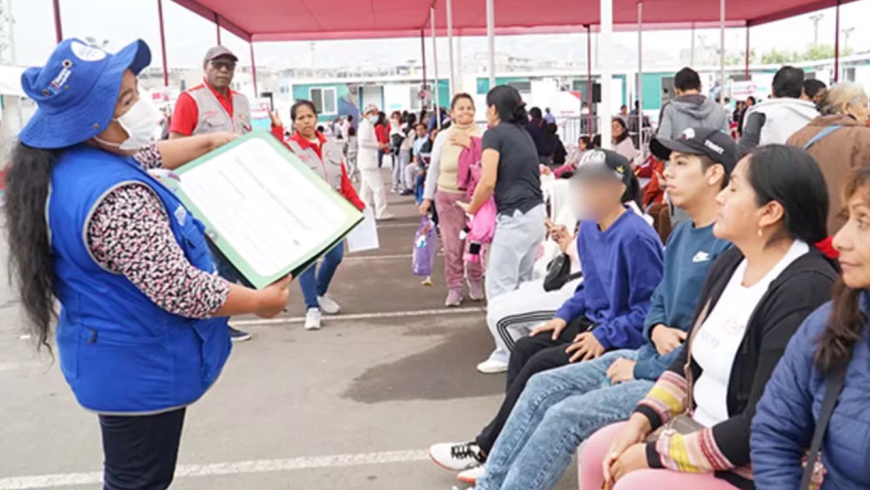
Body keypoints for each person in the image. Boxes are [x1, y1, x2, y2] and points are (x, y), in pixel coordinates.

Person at [5, 38, 293, 490]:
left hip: (112, 358)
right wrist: (259, 301)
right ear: (92, 119)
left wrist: (209, 142)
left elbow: (148, 157)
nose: (139, 104)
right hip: (139, 369)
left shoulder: (70, 164)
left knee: (134, 479)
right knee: (138, 482)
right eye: (126, 99)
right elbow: (180, 288)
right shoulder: (118, 200)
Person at [462, 128, 738, 489]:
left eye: (681, 162)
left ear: (715, 175)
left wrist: (635, 358)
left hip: (663, 374)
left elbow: (700, 344)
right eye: (668, 161)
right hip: (639, 350)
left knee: (564, 410)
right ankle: (491, 479)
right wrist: (654, 329)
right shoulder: (682, 235)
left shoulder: (720, 247)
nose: (666, 171)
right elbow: (655, 302)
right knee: (541, 380)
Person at [582, 145, 837, 490]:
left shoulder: (804, 289)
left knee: (635, 482)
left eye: (733, 188)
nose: (721, 198)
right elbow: (687, 362)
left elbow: (762, 424)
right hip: (696, 429)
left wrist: (655, 454)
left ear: (770, 212)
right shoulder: (731, 263)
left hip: (753, 464)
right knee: (600, 449)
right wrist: (642, 420)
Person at [431, 149, 664, 477]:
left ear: (619, 188)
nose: (584, 191)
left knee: (541, 366)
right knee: (525, 348)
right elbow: (588, 288)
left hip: (619, 338)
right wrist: (563, 315)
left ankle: (488, 449)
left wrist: (602, 336)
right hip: (593, 325)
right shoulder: (590, 227)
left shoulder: (636, 236)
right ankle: (503, 446)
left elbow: (650, 310)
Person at [751, 166, 870, 490]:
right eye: (847, 218)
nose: (841, 239)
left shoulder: (802, 284)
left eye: (864, 223)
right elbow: (774, 430)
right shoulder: (831, 322)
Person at [168, 45, 253, 342]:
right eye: (217, 65)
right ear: (205, 67)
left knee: (230, 254)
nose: (224, 70)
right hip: (201, 191)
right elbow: (175, 145)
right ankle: (215, 320)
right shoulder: (191, 100)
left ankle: (220, 314)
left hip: (237, 188)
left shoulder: (241, 102)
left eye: (229, 66)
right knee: (212, 255)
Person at [271, 101, 365, 330]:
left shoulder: (330, 145)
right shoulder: (290, 147)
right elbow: (273, 156)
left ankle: (320, 292)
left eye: (309, 116)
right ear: (294, 122)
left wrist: (357, 203)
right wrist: (275, 130)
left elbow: (342, 178)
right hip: (304, 215)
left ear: (316, 118)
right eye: (300, 118)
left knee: (335, 256)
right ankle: (311, 307)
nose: (306, 121)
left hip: (333, 213)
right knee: (307, 263)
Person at [461, 85, 546, 301]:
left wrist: (472, 207)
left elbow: (488, 181)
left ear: (494, 109)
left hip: (514, 216)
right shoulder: (523, 134)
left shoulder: (494, 135)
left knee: (498, 288)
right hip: (535, 215)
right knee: (523, 285)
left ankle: (505, 335)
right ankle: (523, 334)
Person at [420, 93, 486, 306]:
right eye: (461, 108)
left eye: (470, 108)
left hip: (476, 198)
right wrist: (427, 198)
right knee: (452, 245)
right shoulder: (443, 136)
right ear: (452, 113)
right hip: (447, 197)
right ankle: (454, 287)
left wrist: (470, 143)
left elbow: (489, 161)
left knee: (475, 243)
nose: (466, 112)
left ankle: (476, 279)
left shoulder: (483, 134)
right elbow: (434, 169)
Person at [787, 82, 870, 235]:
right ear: (846, 108)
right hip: (847, 232)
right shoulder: (864, 138)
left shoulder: (797, 137)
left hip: (803, 232)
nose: (868, 112)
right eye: (864, 105)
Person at [740, 66, 818, 148]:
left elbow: (745, 150)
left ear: (772, 89)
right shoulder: (817, 115)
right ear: (802, 91)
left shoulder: (759, 113)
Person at [656, 67, 729, 140]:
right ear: (700, 87)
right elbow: (727, 142)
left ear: (676, 90)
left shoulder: (671, 110)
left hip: (680, 150)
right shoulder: (719, 109)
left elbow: (663, 141)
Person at [358, 104, 392, 220]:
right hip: (368, 163)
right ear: (367, 114)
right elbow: (362, 142)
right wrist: (377, 145)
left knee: (366, 190)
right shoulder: (366, 126)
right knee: (378, 188)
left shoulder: (367, 125)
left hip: (367, 162)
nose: (376, 115)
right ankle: (381, 212)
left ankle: (364, 210)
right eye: (374, 113)